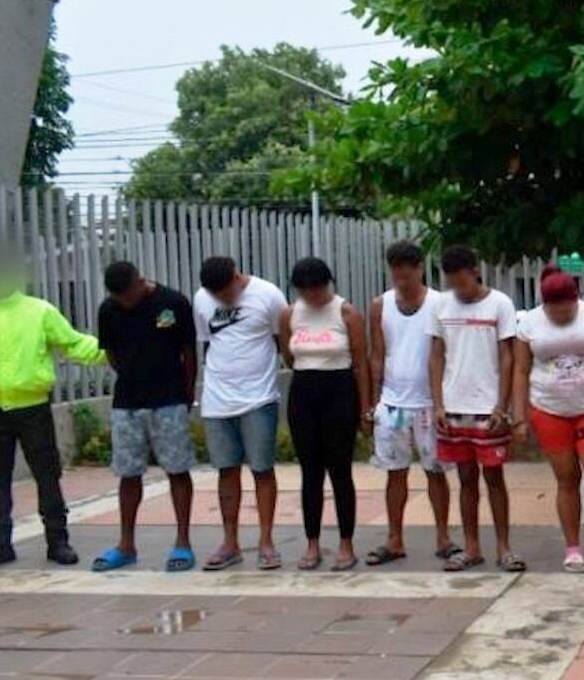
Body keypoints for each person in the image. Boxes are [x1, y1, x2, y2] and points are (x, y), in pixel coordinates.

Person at [0, 256, 105, 568]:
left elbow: (73, 343)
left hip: (33, 407)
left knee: (47, 474)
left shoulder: (40, 311)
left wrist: (111, 350)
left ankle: (58, 541)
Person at [512, 266, 584, 573]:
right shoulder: (529, 323)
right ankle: (573, 549)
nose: (562, 314)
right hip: (549, 410)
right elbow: (521, 370)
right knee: (567, 479)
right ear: (544, 304)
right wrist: (519, 417)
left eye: (568, 308)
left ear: (576, 299)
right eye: (555, 310)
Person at [92, 261, 198, 573]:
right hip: (127, 402)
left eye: (129, 296)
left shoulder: (173, 302)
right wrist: (131, 374)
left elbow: (188, 352)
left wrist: (186, 393)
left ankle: (183, 542)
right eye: (119, 298)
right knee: (128, 473)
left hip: (169, 400)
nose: (125, 303)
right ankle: (126, 545)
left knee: (177, 470)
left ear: (140, 282)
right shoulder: (108, 310)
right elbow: (110, 353)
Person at [428, 245, 525, 572]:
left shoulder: (500, 304)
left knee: (494, 477)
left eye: (463, 282)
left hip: (488, 408)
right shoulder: (441, 305)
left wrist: (502, 406)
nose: (459, 289)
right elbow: (436, 356)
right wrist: (438, 404)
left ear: (475, 272)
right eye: (452, 283)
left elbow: (508, 357)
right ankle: (471, 547)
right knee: (466, 478)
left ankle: (504, 548)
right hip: (453, 407)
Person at [192, 256, 288, 571]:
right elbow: (207, 343)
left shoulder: (268, 295)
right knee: (226, 472)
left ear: (237, 277)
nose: (221, 298)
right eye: (215, 295)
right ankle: (230, 542)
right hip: (217, 400)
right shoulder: (202, 299)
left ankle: (266, 542)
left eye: (226, 293)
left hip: (258, 399)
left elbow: (282, 340)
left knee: (262, 470)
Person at [366, 241, 454, 565]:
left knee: (436, 471)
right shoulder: (380, 305)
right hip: (393, 403)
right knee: (395, 472)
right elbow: (377, 355)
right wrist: (372, 402)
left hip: (430, 403)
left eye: (407, 273)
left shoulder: (440, 304)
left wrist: (444, 401)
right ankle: (394, 539)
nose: (402, 280)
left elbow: (446, 352)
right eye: (396, 273)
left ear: (420, 269)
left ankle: (444, 537)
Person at [280, 257, 370, 571]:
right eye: (304, 290)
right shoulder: (290, 314)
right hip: (304, 391)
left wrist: (365, 408)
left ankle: (346, 542)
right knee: (310, 472)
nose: (311, 296)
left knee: (340, 471)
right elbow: (288, 356)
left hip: (339, 390)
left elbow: (361, 363)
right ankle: (312, 542)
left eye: (316, 289)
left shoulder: (347, 313)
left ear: (327, 284)